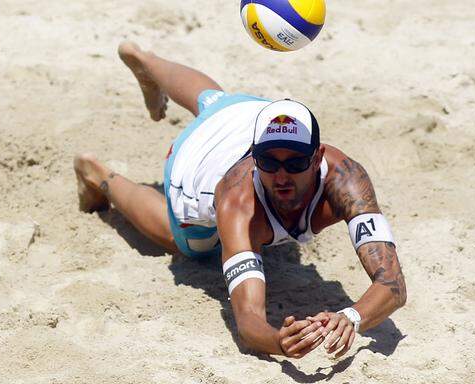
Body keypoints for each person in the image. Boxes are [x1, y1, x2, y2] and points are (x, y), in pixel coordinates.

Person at [74, 41, 407, 359]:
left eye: (294, 164)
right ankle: (98, 175)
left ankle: (147, 61)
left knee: (217, 102)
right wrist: (275, 340)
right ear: (255, 153)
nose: (281, 176)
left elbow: (392, 284)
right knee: (189, 247)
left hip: (245, 113)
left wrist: (352, 316)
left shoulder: (346, 179)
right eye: (269, 163)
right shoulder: (238, 206)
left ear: (318, 156)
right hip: (196, 161)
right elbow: (248, 319)